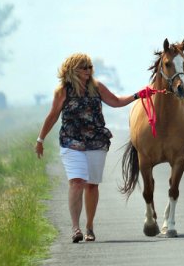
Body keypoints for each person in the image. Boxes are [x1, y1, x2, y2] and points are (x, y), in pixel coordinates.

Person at [35, 53, 147, 243]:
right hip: (71, 142)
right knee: (77, 182)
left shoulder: (97, 87)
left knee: (92, 185)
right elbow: (53, 115)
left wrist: (138, 95)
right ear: (72, 69)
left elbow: (116, 101)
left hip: (96, 141)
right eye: (83, 67)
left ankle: (89, 226)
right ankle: (75, 228)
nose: (88, 70)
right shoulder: (63, 91)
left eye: (89, 67)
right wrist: (40, 139)